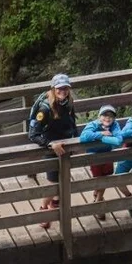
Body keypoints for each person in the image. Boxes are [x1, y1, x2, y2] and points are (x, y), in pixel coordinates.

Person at [27, 74, 77, 229]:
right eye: (60, 88)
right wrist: (50, 144)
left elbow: (72, 123)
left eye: (65, 88)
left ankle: (54, 208)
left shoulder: (68, 102)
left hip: (66, 148)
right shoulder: (45, 108)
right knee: (53, 183)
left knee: (64, 180)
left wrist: (77, 141)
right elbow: (33, 134)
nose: (63, 91)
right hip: (51, 149)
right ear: (53, 89)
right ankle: (43, 210)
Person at [77, 105, 125, 221]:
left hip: (107, 155)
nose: (107, 119)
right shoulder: (93, 125)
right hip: (94, 157)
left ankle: (98, 200)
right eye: (104, 115)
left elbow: (118, 139)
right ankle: (98, 200)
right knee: (98, 179)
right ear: (99, 116)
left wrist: (105, 138)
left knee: (106, 177)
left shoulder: (115, 125)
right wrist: (102, 134)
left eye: (110, 116)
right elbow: (84, 137)